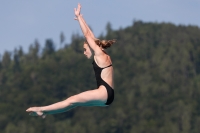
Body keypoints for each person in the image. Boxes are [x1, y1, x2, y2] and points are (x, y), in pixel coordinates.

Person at [26, 3, 115, 117]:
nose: (84, 52)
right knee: (73, 103)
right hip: (109, 97)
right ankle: (44, 111)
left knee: (72, 100)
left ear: (90, 46)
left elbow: (87, 35)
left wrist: (78, 19)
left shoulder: (98, 53)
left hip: (104, 93)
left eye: (84, 49)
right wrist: (81, 17)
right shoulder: (103, 54)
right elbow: (91, 37)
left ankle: (42, 109)